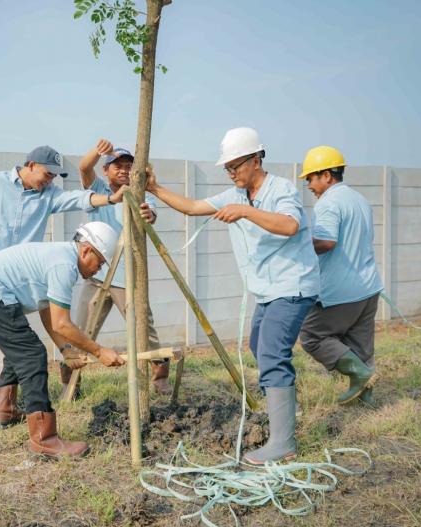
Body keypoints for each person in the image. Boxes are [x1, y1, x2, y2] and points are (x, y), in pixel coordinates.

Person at [144, 127, 319, 464]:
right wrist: (154, 188)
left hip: (293, 285)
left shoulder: (280, 189)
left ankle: (283, 442)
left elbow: (289, 225)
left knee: (271, 352)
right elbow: (193, 207)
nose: (231, 173)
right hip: (268, 290)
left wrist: (246, 212)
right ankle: (279, 414)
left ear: (256, 160)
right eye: (227, 168)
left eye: (235, 166)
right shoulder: (234, 194)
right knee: (258, 346)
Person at [0, 145, 126, 428]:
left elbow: (77, 198)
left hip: (21, 282)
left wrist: (110, 198)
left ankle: (2, 409)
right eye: (47, 174)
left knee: (8, 347)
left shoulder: (49, 196)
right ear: (30, 165)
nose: (50, 181)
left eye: (55, 177)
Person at [0, 222, 125, 458]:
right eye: (100, 262)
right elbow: (62, 324)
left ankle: (5, 412)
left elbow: (48, 310)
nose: (99, 269)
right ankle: (44, 440)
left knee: (19, 348)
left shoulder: (61, 256)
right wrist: (99, 351)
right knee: (32, 354)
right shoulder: (64, 266)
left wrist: (66, 350)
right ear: (86, 250)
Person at [65, 139, 171, 397]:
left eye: (128, 166)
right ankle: (70, 385)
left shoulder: (140, 193)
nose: (123, 171)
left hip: (127, 276)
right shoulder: (99, 189)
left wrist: (149, 214)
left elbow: (151, 214)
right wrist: (98, 151)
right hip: (96, 276)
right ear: (106, 170)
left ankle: (159, 376)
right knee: (80, 330)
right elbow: (83, 168)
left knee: (144, 327)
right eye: (117, 166)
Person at [297, 146, 382, 406]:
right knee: (360, 345)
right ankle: (366, 400)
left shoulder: (328, 203)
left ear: (327, 175)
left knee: (312, 336)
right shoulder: (359, 199)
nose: (309, 184)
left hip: (341, 291)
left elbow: (326, 242)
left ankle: (359, 373)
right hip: (369, 287)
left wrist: (296, 247)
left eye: (311, 177)